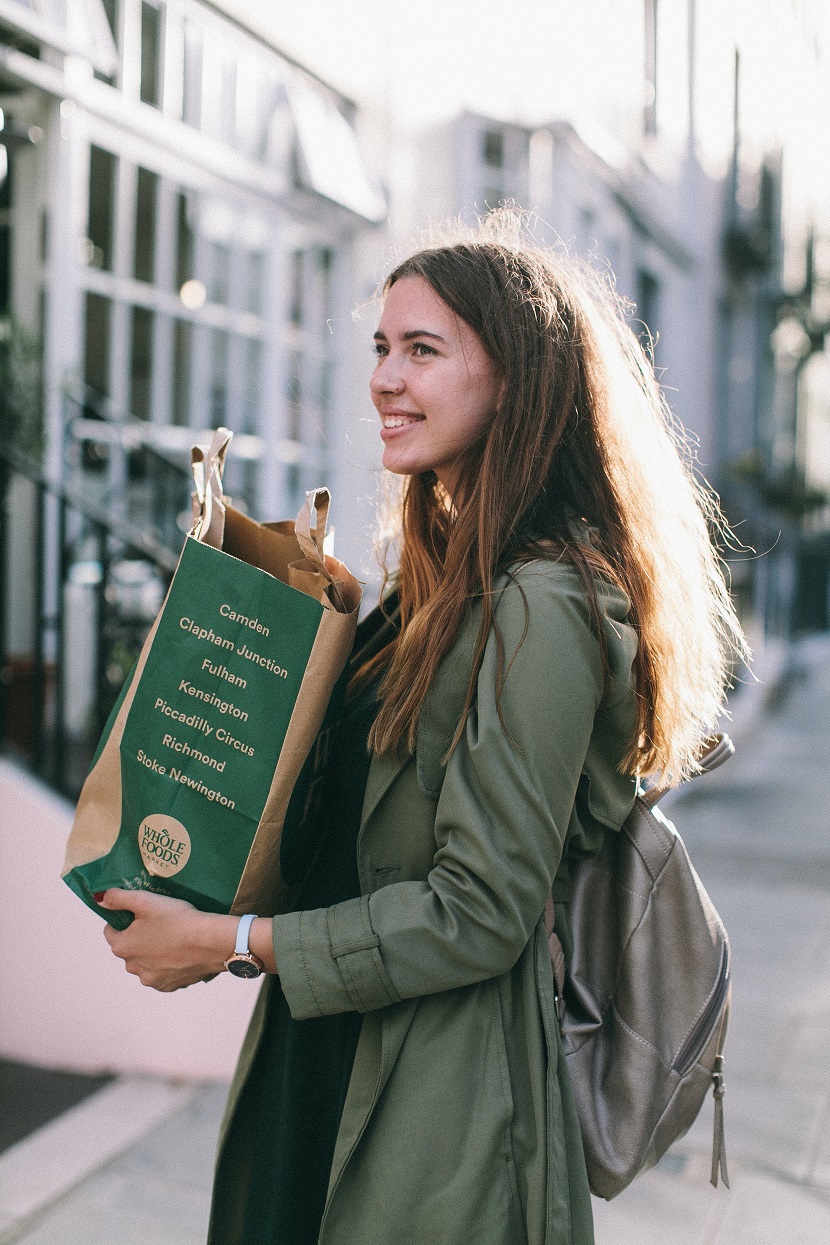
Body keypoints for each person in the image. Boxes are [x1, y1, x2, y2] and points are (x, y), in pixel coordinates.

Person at [97, 210, 746, 1245]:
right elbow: (347, 843)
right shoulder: (429, 588)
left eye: (423, 351)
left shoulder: (543, 601)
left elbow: (479, 911)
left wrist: (232, 941)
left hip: (435, 1109)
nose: (385, 381)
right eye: (380, 349)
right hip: (324, 1051)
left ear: (515, 380)